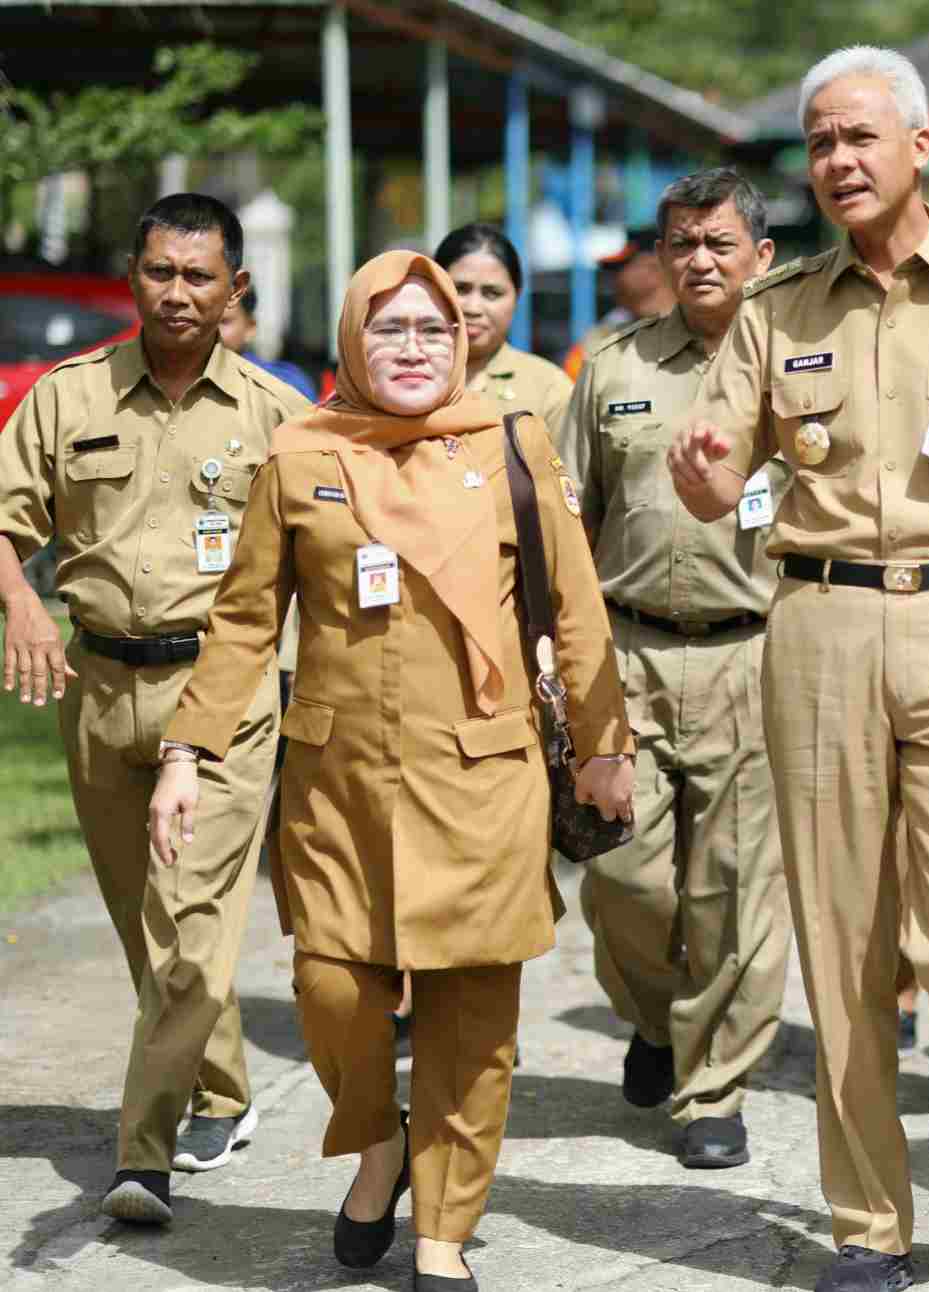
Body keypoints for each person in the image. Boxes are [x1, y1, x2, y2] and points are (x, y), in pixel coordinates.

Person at [668, 46, 929, 1292]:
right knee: (841, 937)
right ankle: (869, 1222)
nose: (837, 161)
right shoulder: (775, 307)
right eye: (817, 142)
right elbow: (714, 475)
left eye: (858, 136)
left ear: (919, 146)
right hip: (815, 633)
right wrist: (701, 481)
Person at [147, 251, 634, 1288]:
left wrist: (603, 748)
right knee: (330, 989)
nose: (411, 348)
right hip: (339, 782)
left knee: (471, 1015)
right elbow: (242, 621)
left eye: (432, 328)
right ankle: (378, 1143)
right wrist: (186, 750)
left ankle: (443, 1227)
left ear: (460, 342)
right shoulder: (300, 450)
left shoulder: (510, 442)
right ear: (351, 339)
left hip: (483, 771)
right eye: (389, 328)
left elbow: (578, 607)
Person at [0, 193, 311, 1222]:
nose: (179, 292)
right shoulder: (68, 395)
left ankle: (143, 1153)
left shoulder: (275, 414)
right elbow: (4, 524)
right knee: (149, 928)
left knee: (190, 920)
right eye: (160, 272)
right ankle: (222, 1086)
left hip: (220, 694)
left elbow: (327, 562)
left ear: (235, 289)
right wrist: (26, 611)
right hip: (93, 686)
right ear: (136, 278)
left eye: (200, 275)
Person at [558, 166, 792, 1169]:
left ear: (762, 257)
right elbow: (571, 524)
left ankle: (711, 1091)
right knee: (622, 877)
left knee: (735, 892)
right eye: (682, 243)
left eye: (719, 243)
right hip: (630, 650)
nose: (699, 260)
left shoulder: (800, 370)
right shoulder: (611, 368)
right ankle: (654, 1019)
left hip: (758, 650)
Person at [434, 223, 573, 432]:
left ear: (516, 297)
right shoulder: (404, 375)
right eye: (460, 289)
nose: (473, 308)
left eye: (492, 293)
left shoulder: (549, 388)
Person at [562, 226, 676, 380]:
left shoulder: (704, 330)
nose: (613, 280)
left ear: (652, 267)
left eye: (621, 267)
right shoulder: (602, 339)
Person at [218, 286, 319, 401]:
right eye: (207, 320)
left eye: (224, 322)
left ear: (250, 327)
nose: (212, 331)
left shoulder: (286, 385)